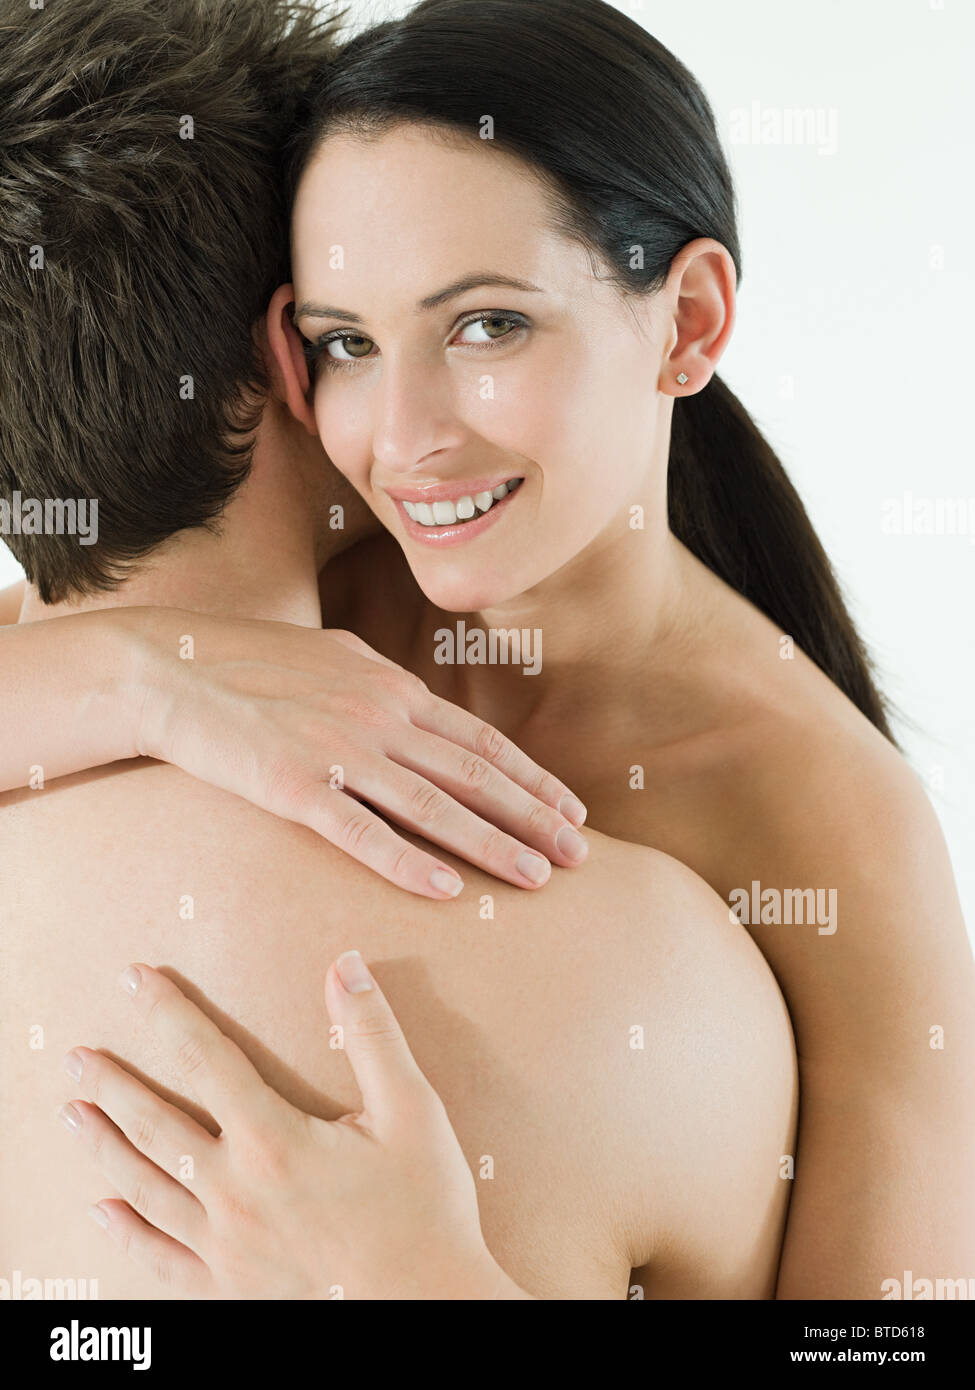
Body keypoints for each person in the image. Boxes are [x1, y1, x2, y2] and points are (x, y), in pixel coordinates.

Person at [57, 0, 973, 1299]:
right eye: (348, 343)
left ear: (689, 320)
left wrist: (421, 1280)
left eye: (487, 325)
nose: (405, 437)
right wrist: (145, 682)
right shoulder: (312, 585)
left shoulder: (838, 830)